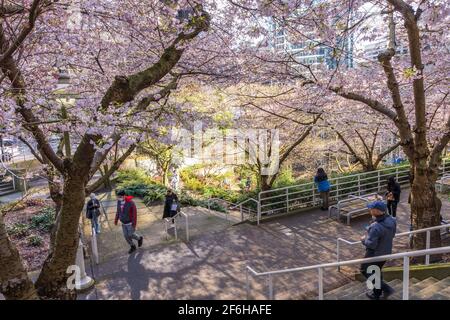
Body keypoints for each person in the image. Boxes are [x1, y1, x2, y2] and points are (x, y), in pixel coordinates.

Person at [360, 200, 397, 300]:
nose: (369, 209)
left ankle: (387, 289)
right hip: (386, 251)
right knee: (376, 271)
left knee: (364, 270)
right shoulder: (392, 220)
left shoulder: (375, 227)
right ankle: (376, 294)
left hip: (374, 253)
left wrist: (363, 240)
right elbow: (392, 235)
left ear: (375, 211)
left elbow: (371, 244)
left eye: (371, 208)